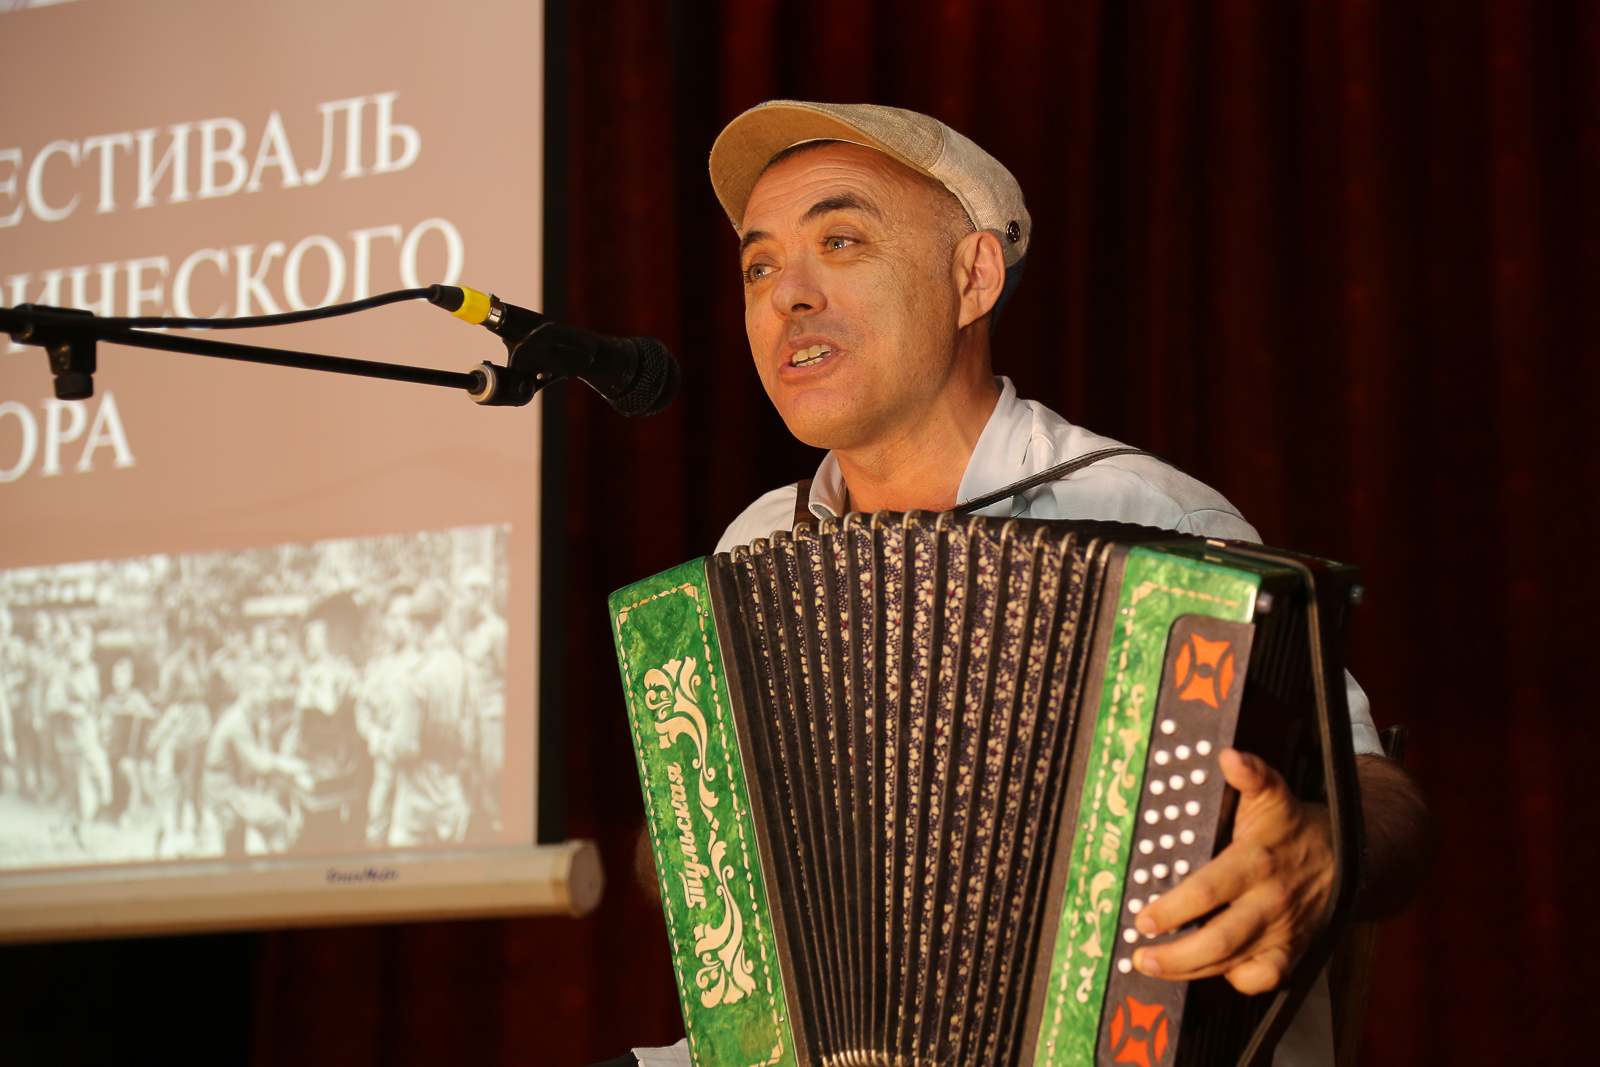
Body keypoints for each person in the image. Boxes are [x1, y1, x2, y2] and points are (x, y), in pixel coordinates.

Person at [606, 101, 1432, 1067]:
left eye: (841, 241)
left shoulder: (1145, 516)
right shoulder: (754, 548)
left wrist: (1321, 850)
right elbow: (685, 866)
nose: (787, 295)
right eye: (758, 266)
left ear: (974, 276)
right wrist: (695, 827)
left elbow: (1383, 800)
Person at [387, 581, 474, 847]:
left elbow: (404, 749)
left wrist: (385, 743)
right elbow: (470, 734)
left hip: (417, 805)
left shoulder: (416, 677)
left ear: (417, 626)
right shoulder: (461, 666)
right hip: (450, 798)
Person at [202, 663, 311, 856]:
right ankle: (280, 870)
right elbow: (259, 764)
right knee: (277, 821)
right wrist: (289, 766)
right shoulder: (237, 721)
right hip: (225, 790)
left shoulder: (250, 716)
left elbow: (263, 755)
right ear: (252, 689)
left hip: (233, 785)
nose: (270, 697)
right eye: (266, 690)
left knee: (273, 810)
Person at [459, 566, 508, 836]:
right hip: (472, 716)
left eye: (468, 594)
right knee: (474, 775)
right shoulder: (468, 632)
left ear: (480, 594)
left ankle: (498, 827)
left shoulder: (498, 630)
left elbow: (508, 674)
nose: (464, 602)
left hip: (492, 714)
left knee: (493, 772)